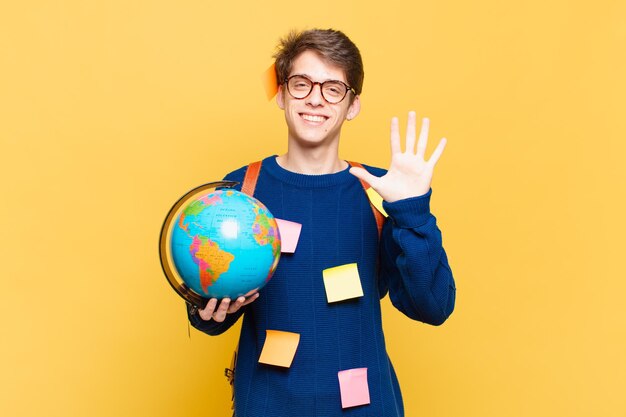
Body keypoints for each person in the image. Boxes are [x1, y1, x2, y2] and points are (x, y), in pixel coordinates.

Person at [187, 28, 456, 417]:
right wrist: (206, 311)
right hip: (266, 405)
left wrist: (413, 209)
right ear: (280, 93)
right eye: (301, 84)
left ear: (353, 105)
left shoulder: (381, 190)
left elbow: (433, 307)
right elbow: (211, 306)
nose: (315, 98)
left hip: (367, 406)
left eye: (333, 88)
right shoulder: (242, 189)